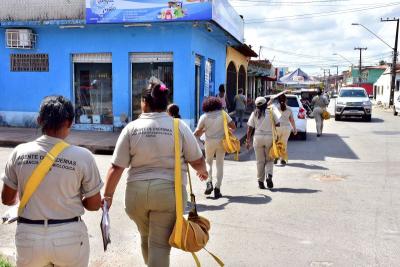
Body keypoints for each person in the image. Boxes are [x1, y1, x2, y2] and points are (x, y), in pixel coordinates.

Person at [102, 83, 207, 267]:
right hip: (168, 195)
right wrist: (202, 171)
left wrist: (108, 196)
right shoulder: (178, 126)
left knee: (146, 237)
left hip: (135, 196)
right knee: (159, 245)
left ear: (144, 102)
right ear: (165, 103)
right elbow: (197, 159)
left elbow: (116, 167)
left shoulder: (131, 128)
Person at [1, 95, 103, 267]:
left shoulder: (19, 153)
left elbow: (6, 198)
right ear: (70, 123)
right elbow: (94, 204)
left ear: (39, 120)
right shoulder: (82, 156)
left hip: (29, 237)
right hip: (69, 237)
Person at [194, 97, 236, 199]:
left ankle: (209, 182)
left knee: (208, 162)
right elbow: (233, 126)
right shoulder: (223, 114)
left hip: (209, 142)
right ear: (218, 104)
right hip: (221, 142)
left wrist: (204, 130)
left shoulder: (204, 117)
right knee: (220, 164)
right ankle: (218, 188)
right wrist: (226, 128)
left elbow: (196, 133)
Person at [246, 97, 279, 189]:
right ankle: (269, 176)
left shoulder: (254, 113)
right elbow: (278, 124)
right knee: (269, 159)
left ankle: (260, 182)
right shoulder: (271, 112)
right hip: (269, 137)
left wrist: (248, 140)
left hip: (258, 138)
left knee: (260, 161)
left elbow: (249, 128)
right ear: (265, 104)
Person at [275, 94, 297, 165]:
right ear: (286, 100)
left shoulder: (275, 108)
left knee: (276, 142)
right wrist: (294, 129)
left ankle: (276, 156)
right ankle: (282, 159)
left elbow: (272, 119)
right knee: (284, 143)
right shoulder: (289, 108)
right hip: (287, 128)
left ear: (278, 100)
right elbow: (292, 120)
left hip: (277, 127)